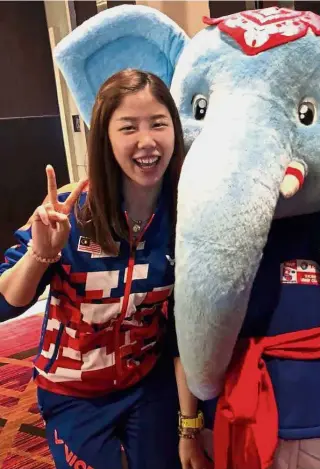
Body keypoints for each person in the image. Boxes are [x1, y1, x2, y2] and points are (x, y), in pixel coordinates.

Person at [0, 69, 211, 469]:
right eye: (128, 127)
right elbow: (5, 303)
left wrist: (189, 427)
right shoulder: (70, 210)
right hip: (72, 393)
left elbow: (186, 329)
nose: (147, 141)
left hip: (146, 382)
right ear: (106, 138)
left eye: (159, 124)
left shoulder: (186, 215)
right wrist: (40, 255)